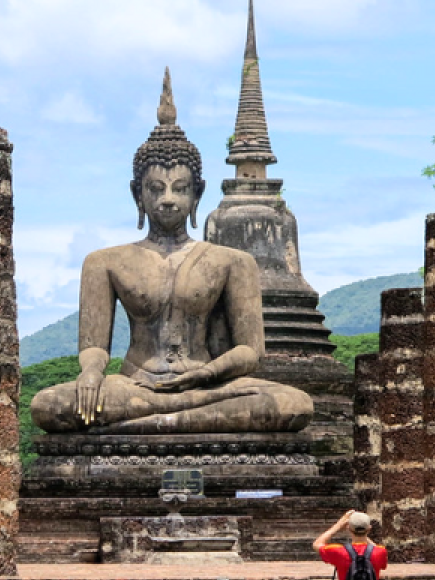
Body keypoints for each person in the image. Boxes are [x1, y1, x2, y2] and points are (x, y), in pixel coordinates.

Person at [29, 68, 313, 435]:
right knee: (48, 405)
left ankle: (151, 422)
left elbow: (250, 352)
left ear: (198, 193)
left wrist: (204, 375)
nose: (167, 199)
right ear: (137, 194)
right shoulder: (104, 262)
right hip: (134, 385)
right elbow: (94, 346)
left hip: (206, 385)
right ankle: (175, 418)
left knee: (294, 404)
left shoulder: (232, 262)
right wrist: (91, 373)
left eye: (179, 189)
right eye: (155, 189)